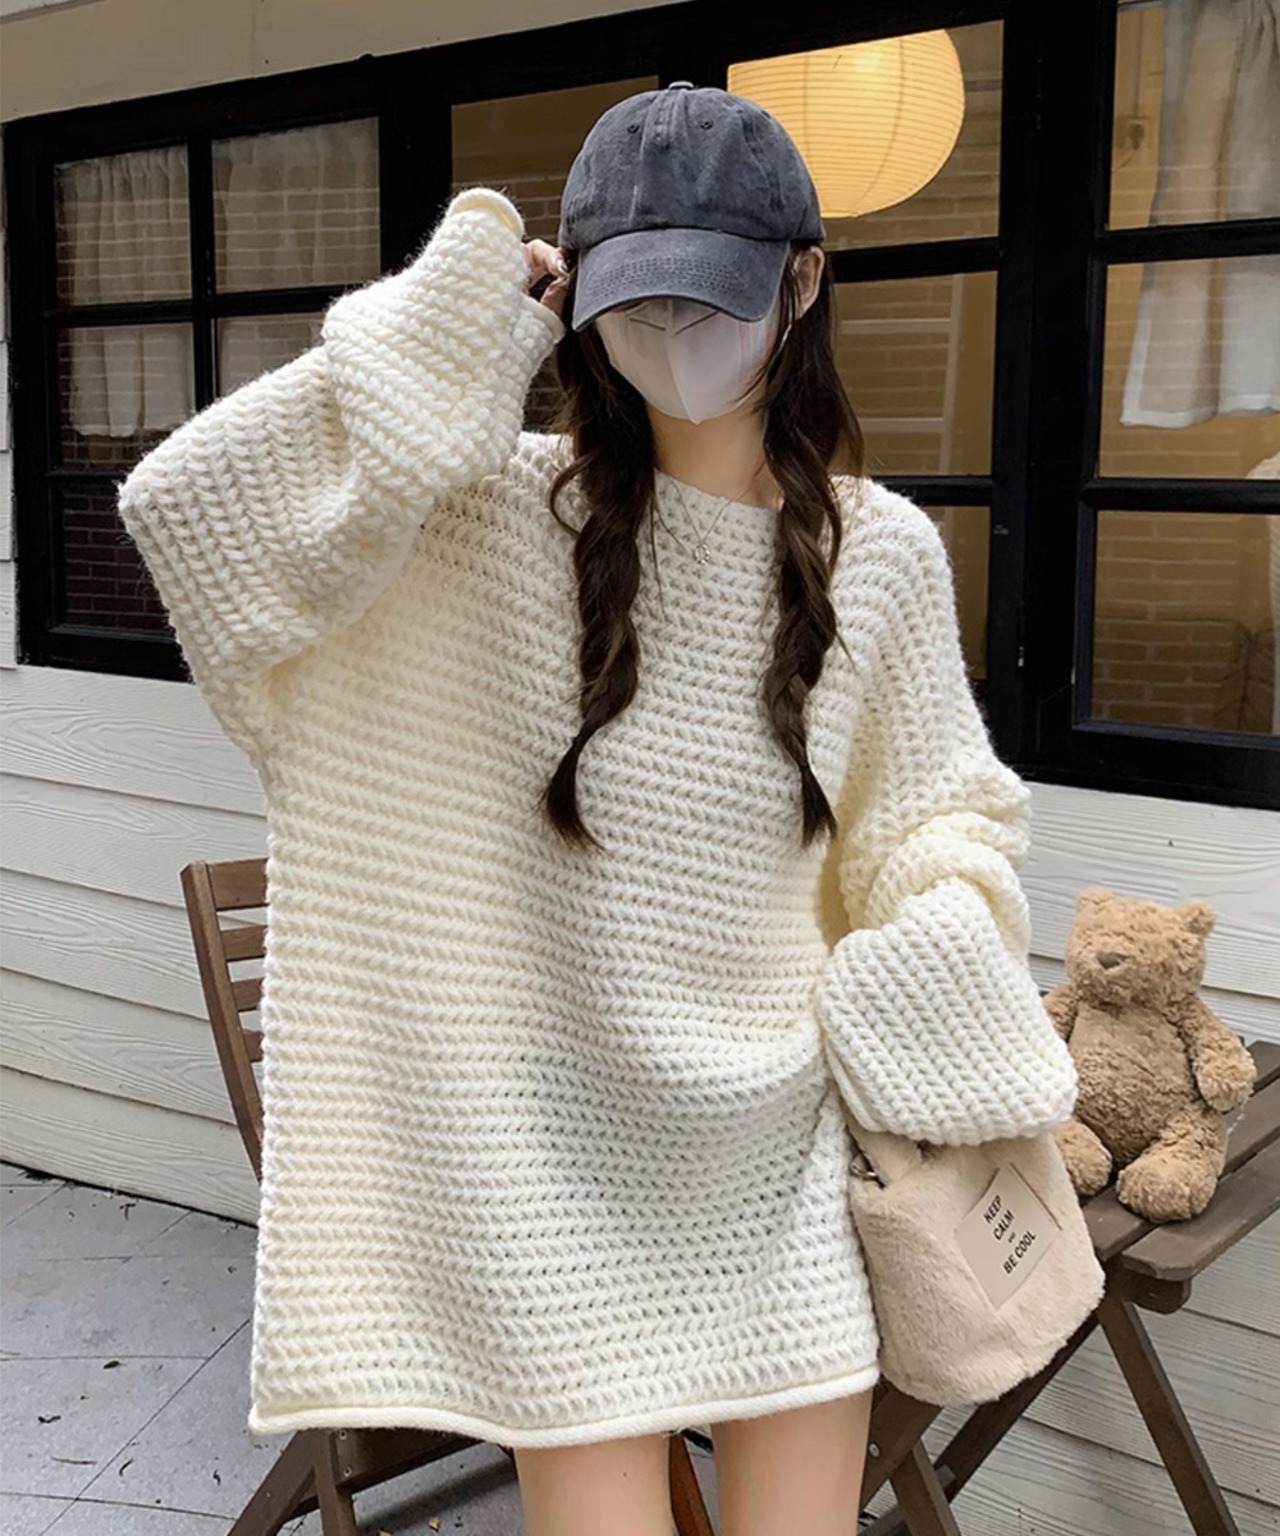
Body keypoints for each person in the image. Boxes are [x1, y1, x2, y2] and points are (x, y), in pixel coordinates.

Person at [117, 82, 1078, 1536]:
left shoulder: (878, 556)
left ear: (804, 282)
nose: (678, 335)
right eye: (640, 300)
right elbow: (193, 516)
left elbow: (946, 820)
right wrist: (453, 325)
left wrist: (927, 940)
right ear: (577, 298)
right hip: (550, 1189)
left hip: (790, 1169)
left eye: (715, 296)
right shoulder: (482, 517)